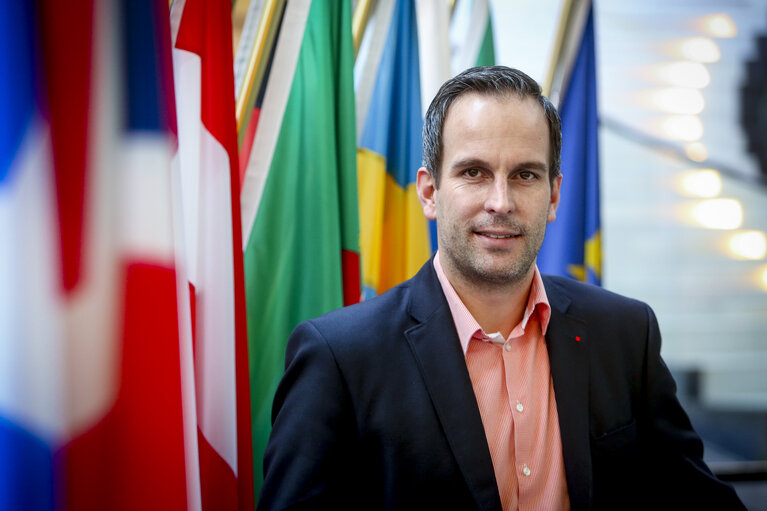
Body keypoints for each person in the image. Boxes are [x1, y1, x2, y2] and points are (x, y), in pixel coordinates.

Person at [257, 66, 745, 511]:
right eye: (474, 172)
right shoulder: (339, 357)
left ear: (554, 195)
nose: (500, 202)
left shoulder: (624, 332)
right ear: (429, 192)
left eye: (525, 175)